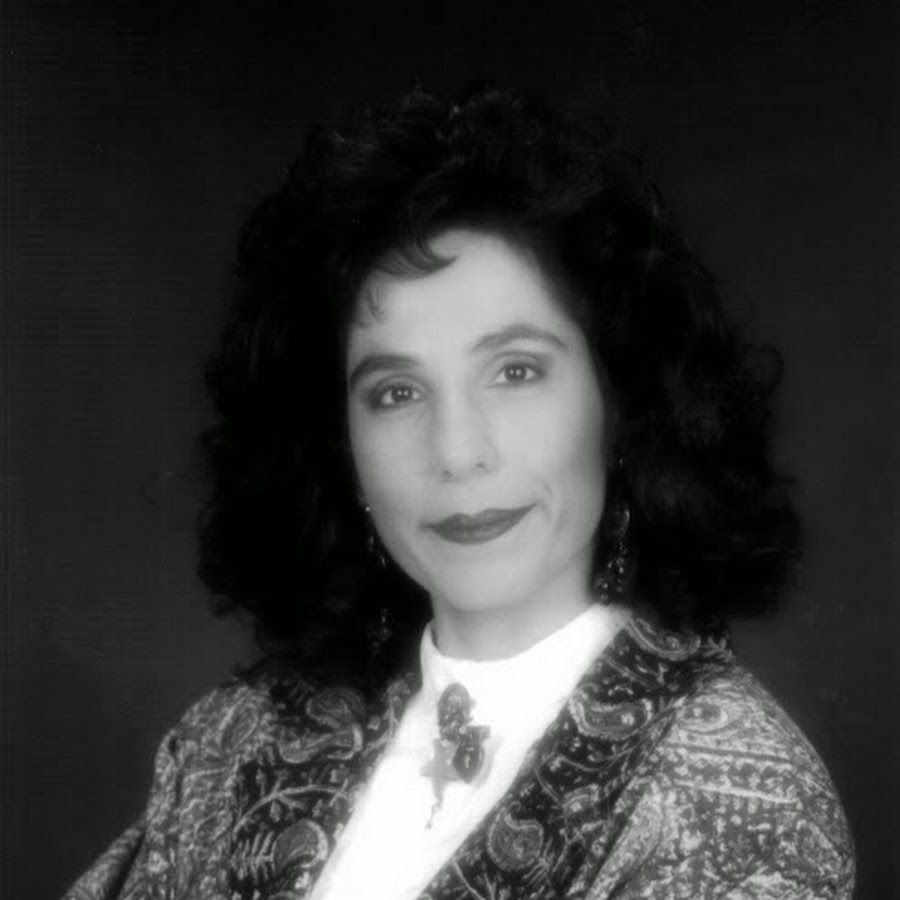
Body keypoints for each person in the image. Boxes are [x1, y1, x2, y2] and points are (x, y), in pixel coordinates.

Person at [64, 84, 855, 899]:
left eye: (516, 372)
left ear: (622, 405)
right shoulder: (229, 743)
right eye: (396, 392)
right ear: (339, 444)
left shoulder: (738, 799)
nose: (456, 451)